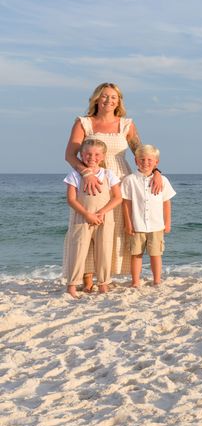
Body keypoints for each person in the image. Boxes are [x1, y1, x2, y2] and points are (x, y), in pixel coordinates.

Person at [64, 82, 161, 289]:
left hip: (121, 181)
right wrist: (87, 173)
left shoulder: (127, 125)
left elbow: (141, 153)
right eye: (105, 96)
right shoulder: (84, 123)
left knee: (112, 231)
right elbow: (70, 155)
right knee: (86, 227)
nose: (109, 100)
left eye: (114, 97)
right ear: (97, 98)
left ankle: (105, 279)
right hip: (91, 181)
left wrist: (156, 172)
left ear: (119, 101)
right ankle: (86, 279)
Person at [62, 139, 122, 297]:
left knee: (104, 251)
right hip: (82, 219)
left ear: (102, 157)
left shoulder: (109, 174)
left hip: (104, 219)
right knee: (78, 252)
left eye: (96, 154)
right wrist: (87, 214)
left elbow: (117, 198)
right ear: (81, 155)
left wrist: (102, 212)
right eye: (88, 154)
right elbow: (71, 200)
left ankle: (103, 284)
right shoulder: (74, 175)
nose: (92, 157)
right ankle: (72, 286)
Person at [121, 144, 177, 288]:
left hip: (156, 225)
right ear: (136, 161)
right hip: (137, 225)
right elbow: (126, 203)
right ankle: (135, 281)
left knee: (155, 254)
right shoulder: (130, 180)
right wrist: (128, 223)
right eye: (142, 159)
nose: (145, 163)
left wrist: (167, 222)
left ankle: (157, 280)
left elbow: (166, 202)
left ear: (156, 162)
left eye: (149, 160)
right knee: (136, 254)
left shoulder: (163, 180)